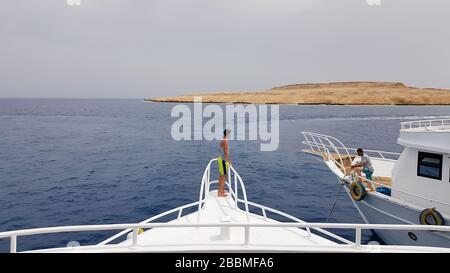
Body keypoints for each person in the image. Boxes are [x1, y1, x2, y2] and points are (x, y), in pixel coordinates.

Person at [218, 129, 231, 197]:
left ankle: (220, 190)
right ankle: (220, 193)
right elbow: (226, 153)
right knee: (224, 177)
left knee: (221, 176)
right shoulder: (225, 141)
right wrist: (229, 161)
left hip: (220, 159)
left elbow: (220, 150)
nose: (230, 135)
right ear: (227, 134)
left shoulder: (222, 140)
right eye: (229, 134)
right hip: (223, 160)